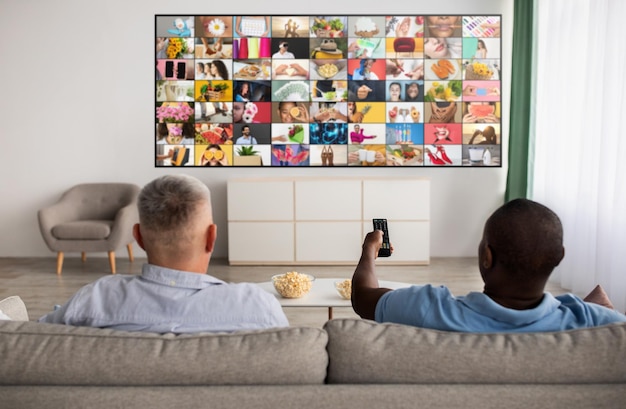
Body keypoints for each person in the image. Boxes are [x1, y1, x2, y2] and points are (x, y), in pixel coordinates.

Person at [39, 175, 288, 332]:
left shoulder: (93, 300)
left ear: (138, 238)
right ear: (212, 238)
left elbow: (34, 334)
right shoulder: (259, 306)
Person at [351, 198, 626, 332]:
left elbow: (362, 298)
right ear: (559, 257)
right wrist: (591, 310)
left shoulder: (429, 308)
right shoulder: (595, 323)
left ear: (487, 257)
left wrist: (369, 249)